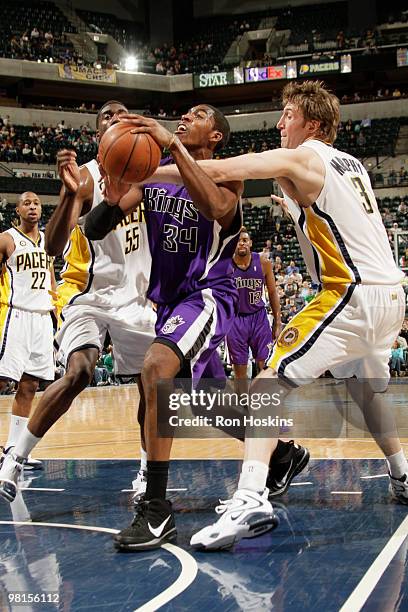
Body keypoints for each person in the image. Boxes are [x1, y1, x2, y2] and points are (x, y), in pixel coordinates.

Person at [140, 80, 407, 549]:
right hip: (391, 296)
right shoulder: (354, 166)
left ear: (314, 125)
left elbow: (225, 168)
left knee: (267, 382)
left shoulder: (305, 156)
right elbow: (330, 231)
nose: (281, 122)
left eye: (288, 114)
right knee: (363, 392)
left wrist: (166, 153)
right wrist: (295, 213)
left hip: (354, 294)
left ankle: (250, 498)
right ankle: (402, 474)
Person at [84, 104, 309, 552]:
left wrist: (169, 143)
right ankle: (284, 454)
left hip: (209, 293)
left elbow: (215, 207)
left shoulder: (228, 178)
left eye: (199, 114)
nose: (186, 117)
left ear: (217, 136)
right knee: (209, 406)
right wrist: (110, 199)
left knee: (156, 370)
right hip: (169, 303)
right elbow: (95, 228)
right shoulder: (156, 170)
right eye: (184, 114)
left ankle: (155, 509)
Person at [0, 101, 156, 503]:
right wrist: (70, 197)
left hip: (136, 299)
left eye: (123, 112)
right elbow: (51, 245)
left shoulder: (151, 170)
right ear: (98, 132)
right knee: (80, 371)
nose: (115, 117)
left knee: (152, 385)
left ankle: (146, 472)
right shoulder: (86, 177)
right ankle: (16, 458)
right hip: (87, 294)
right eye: (106, 115)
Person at [0, 192, 56, 471]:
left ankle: (13, 447)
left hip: (42, 317)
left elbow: (51, 277)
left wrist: (58, 310)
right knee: (2, 380)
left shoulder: (48, 239)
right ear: (18, 210)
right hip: (16, 314)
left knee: (30, 385)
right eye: (27, 203)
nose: (32, 207)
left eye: (36, 203)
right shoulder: (6, 239)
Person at [226, 227, 282, 378]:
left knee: (265, 364)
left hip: (259, 318)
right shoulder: (225, 266)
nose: (241, 244)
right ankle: (243, 401)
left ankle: (264, 399)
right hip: (235, 320)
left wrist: (277, 322)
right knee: (240, 370)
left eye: (244, 240)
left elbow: (272, 292)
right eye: (238, 241)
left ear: (250, 243)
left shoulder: (264, 262)